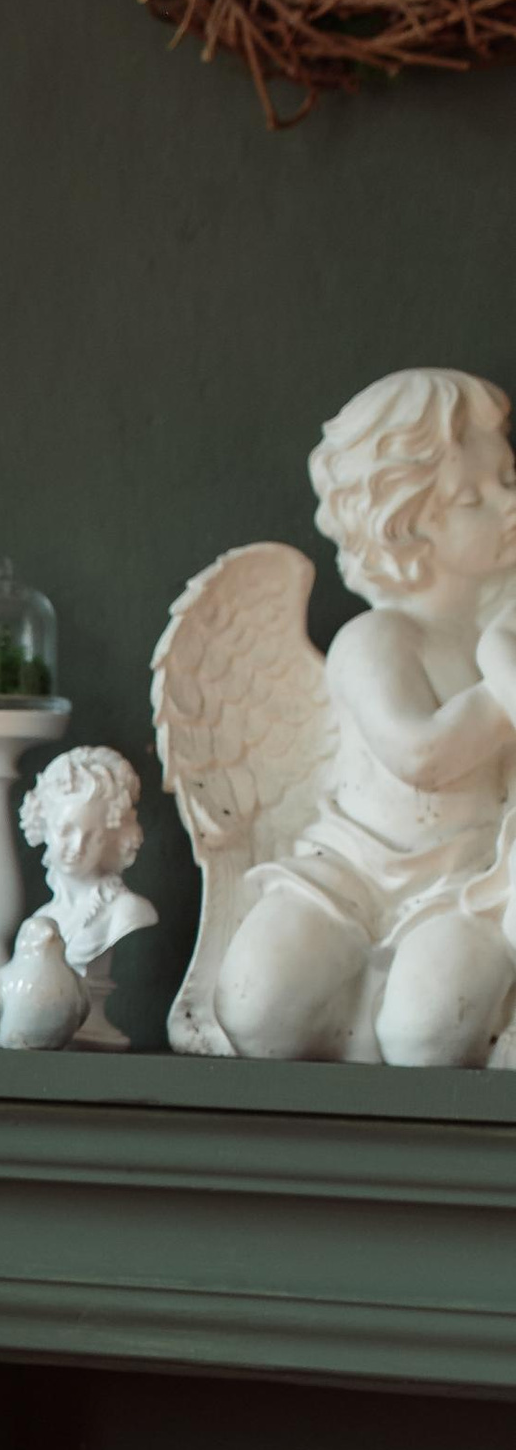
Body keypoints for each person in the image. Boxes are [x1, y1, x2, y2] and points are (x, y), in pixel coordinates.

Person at [215, 366, 516, 1067]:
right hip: (349, 873)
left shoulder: (500, 636)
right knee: (256, 1008)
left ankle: (399, 1010)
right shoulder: (377, 638)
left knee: (429, 1037)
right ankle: (356, 1010)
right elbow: (420, 757)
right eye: (474, 497)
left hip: (464, 884)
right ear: (405, 527)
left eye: (508, 479)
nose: (510, 503)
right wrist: (504, 685)